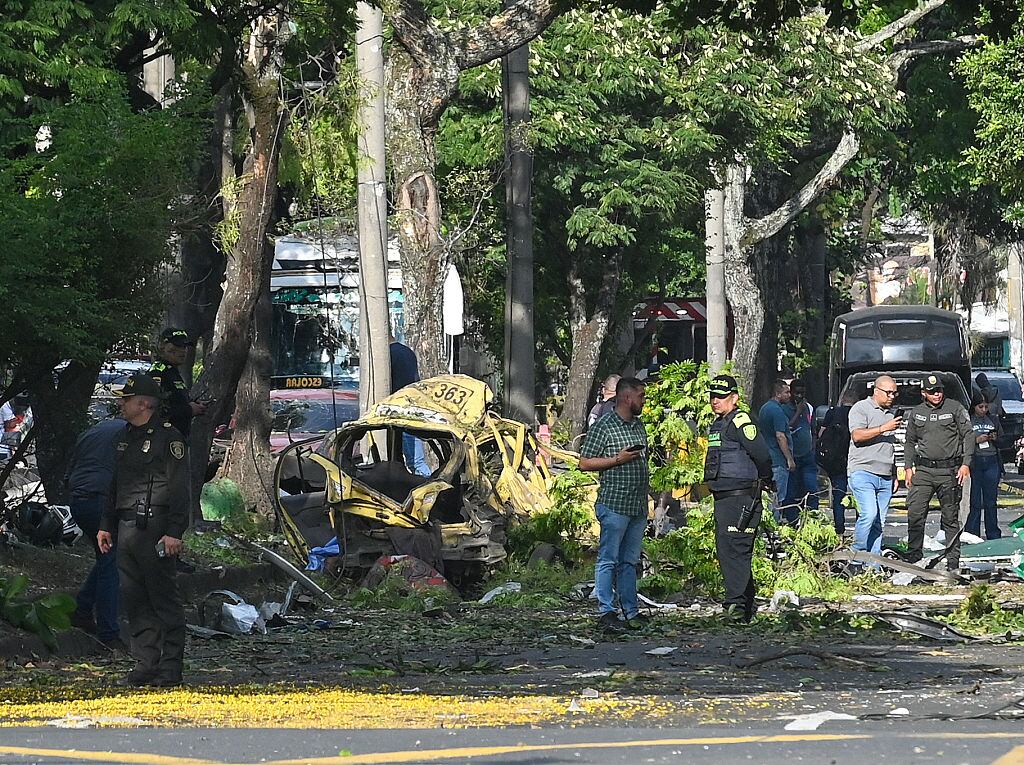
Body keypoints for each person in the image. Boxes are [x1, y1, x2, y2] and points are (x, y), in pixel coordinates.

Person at [97, 374, 189, 687]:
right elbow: (115, 484)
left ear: (144, 403)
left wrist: (175, 531)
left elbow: (179, 489)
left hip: (156, 526)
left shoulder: (169, 438)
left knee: (162, 597)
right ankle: (146, 663)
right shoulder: (125, 436)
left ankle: (170, 668)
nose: (121, 404)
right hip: (126, 526)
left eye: (127, 399)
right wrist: (105, 525)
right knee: (134, 598)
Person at [579, 377, 649, 633]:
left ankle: (631, 611)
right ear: (627, 398)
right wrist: (616, 460)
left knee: (629, 561)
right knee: (608, 558)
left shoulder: (639, 426)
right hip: (615, 504)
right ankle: (606, 611)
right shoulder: (605, 426)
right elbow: (584, 462)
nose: (644, 401)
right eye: (641, 396)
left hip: (637, 505)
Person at [704, 374, 772, 621]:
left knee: (736, 550)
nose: (715, 401)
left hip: (741, 497)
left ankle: (736, 607)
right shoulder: (719, 423)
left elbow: (761, 454)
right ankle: (743, 605)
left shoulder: (741, 420)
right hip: (724, 497)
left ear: (734, 398)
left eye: (721, 397)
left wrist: (766, 479)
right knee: (728, 550)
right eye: (712, 396)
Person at [65, 417, 128, 649]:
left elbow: (71, 467)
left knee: (106, 559)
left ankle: (82, 609)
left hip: (79, 499)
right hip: (100, 499)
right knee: (112, 564)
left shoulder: (95, 429)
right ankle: (108, 633)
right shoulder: (131, 434)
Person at [904, 374, 974, 572]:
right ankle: (914, 559)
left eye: (939, 390)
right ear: (924, 393)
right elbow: (909, 441)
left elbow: (968, 435)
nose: (937, 394)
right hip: (924, 471)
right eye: (932, 391)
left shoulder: (955, 408)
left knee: (950, 518)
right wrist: (908, 467)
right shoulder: (916, 413)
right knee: (915, 514)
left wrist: (966, 463)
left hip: (949, 471)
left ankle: (953, 563)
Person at [847, 375, 901, 557]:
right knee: (869, 514)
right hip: (863, 471)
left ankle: (873, 563)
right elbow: (857, 436)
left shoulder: (890, 414)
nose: (892, 396)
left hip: (885, 474)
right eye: (888, 393)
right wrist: (883, 428)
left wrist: (894, 473)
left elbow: (889, 446)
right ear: (876, 391)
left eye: (894, 393)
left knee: (879, 521)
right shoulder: (860, 408)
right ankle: (856, 556)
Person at [149, 328, 205, 439]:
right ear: (163, 346)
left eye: (184, 346)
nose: (183, 351)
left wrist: (192, 402)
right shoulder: (158, 372)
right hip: (162, 438)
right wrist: (189, 409)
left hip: (177, 437)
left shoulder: (173, 371)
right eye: (178, 345)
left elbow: (174, 399)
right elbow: (153, 408)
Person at [817, 391, 856, 536]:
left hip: (835, 460)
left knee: (838, 494)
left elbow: (822, 434)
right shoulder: (858, 413)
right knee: (858, 495)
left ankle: (839, 526)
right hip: (854, 458)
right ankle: (861, 526)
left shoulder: (832, 413)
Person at [389, 335, 429, 476]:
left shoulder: (387, 355)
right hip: (412, 407)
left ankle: (430, 486)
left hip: (399, 411)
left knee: (415, 462)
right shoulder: (407, 351)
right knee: (415, 460)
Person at [758, 380, 796, 524]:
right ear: (778, 393)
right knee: (777, 497)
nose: (789, 395)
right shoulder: (777, 410)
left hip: (767, 458)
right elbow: (780, 436)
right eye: (786, 392)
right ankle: (774, 528)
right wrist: (789, 459)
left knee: (769, 496)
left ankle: (768, 525)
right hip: (778, 460)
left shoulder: (764, 408)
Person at [967, 393, 1003, 540]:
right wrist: (975, 440)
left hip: (991, 460)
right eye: (980, 407)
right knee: (975, 501)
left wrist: (995, 438)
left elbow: (1003, 439)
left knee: (991, 501)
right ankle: (973, 532)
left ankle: (993, 533)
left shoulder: (993, 419)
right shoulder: (968, 420)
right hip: (975, 461)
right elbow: (961, 440)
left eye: (986, 407)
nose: (983, 409)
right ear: (974, 406)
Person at [786, 379, 819, 512]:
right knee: (792, 491)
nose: (799, 396)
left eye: (802, 393)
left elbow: (813, 429)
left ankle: (813, 517)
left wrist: (813, 446)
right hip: (792, 455)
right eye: (797, 393)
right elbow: (787, 427)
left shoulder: (809, 408)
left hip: (807, 455)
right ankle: (792, 520)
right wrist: (798, 412)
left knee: (812, 489)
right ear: (791, 393)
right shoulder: (784, 408)